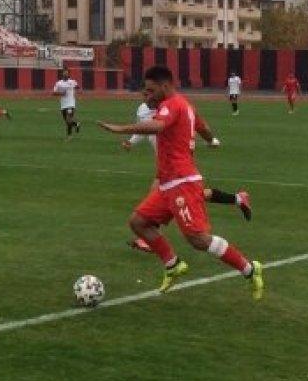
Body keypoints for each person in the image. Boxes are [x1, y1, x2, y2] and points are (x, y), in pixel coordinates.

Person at [97, 65, 264, 300]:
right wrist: (210, 140)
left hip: (182, 182)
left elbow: (157, 126)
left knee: (198, 239)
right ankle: (172, 265)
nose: (148, 96)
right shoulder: (186, 106)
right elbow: (204, 128)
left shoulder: (172, 104)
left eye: (151, 91)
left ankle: (249, 269)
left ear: (165, 86)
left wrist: (121, 129)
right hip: (167, 184)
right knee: (139, 222)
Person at [122, 97, 253, 223]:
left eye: (149, 92)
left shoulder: (173, 107)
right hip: (165, 163)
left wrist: (211, 140)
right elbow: (143, 129)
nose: (146, 97)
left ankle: (147, 233)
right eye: (144, 93)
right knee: (192, 196)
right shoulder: (143, 109)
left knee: (157, 198)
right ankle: (238, 198)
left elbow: (193, 127)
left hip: (176, 163)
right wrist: (131, 141)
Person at [51, 69, 81, 138]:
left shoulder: (72, 82)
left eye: (67, 73)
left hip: (71, 103)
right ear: (62, 74)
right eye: (64, 73)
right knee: (67, 121)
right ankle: (76, 124)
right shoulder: (58, 83)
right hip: (63, 104)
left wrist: (78, 91)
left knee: (68, 119)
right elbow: (54, 93)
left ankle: (69, 135)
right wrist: (61, 93)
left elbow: (78, 88)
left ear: (68, 74)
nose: (65, 74)